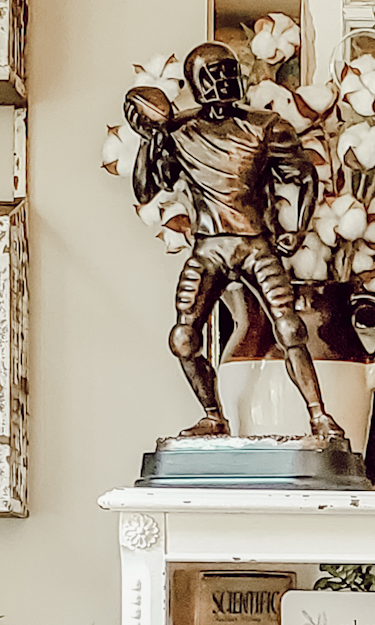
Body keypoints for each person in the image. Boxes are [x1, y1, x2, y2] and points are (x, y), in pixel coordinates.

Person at [124, 42, 344, 444]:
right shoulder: (179, 131)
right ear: (194, 83)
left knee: (291, 329)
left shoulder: (267, 125)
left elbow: (305, 176)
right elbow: (146, 189)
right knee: (183, 337)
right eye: (211, 74)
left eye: (227, 70)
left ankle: (320, 417)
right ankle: (213, 416)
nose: (222, 80)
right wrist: (148, 139)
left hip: (255, 244)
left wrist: (297, 226)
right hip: (208, 248)